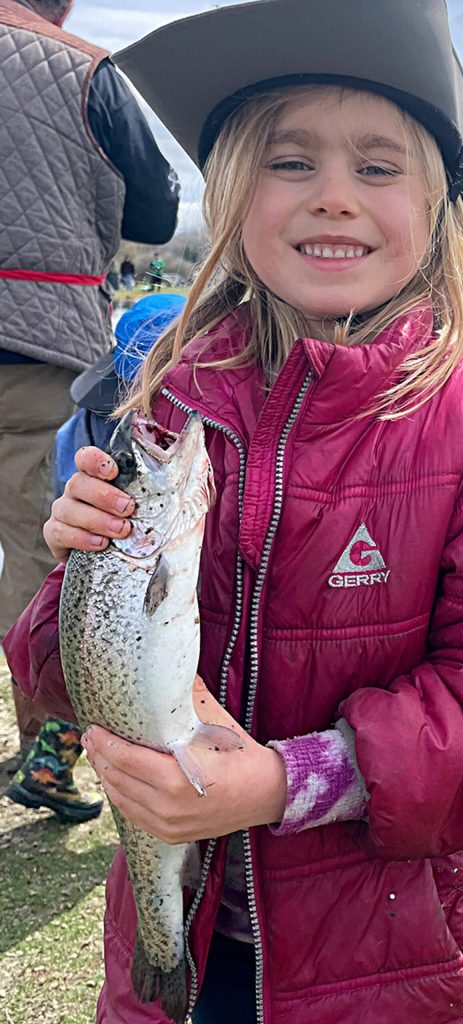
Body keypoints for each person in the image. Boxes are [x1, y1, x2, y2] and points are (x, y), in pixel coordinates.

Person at [4, 2, 463, 1022]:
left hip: (413, 970)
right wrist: (78, 574)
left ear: (434, 206)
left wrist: (286, 782)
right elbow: (62, 686)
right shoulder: (169, 406)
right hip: (193, 947)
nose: (333, 196)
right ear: (233, 197)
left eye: (377, 168)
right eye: (289, 163)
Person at [0, 0, 180, 801]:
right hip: (38, 335)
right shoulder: (85, 70)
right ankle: (48, 755)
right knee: (46, 547)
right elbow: (155, 210)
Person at [4, 294, 186, 824]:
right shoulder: (130, 440)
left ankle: (45, 768)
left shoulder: (83, 424)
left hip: (97, 569)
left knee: (94, 674)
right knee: (106, 680)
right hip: (113, 569)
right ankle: (48, 770)